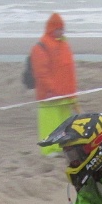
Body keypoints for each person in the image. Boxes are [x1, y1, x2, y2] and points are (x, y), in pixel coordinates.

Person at [30, 13, 79, 155]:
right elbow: (41, 72)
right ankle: (49, 149)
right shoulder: (42, 46)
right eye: (58, 28)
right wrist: (51, 89)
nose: (61, 31)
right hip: (49, 96)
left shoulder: (64, 44)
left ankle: (63, 147)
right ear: (51, 29)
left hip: (65, 95)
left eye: (62, 29)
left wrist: (72, 93)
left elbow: (69, 70)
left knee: (65, 123)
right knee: (49, 123)